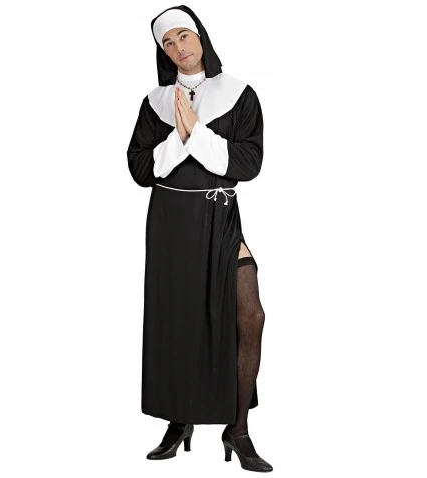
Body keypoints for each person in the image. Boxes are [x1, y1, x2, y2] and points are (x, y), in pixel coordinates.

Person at [126, 5, 272, 472]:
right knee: (178, 321)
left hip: (220, 216)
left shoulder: (239, 94)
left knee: (250, 315)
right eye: (168, 43)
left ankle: (238, 428)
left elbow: (248, 163)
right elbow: (140, 169)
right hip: (171, 222)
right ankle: (179, 420)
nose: (178, 48)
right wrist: (180, 135)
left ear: (201, 38)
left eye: (184, 36)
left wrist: (197, 132)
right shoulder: (154, 102)